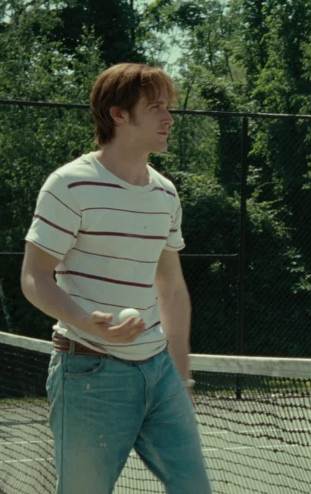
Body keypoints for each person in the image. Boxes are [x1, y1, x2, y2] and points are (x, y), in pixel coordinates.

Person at [20, 63, 211, 493]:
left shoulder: (165, 193)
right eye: (156, 107)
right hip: (89, 373)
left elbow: (171, 288)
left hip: (160, 373)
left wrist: (181, 377)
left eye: (168, 107)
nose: (169, 118)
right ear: (119, 114)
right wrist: (87, 322)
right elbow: (34, 277)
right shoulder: (69, 185)